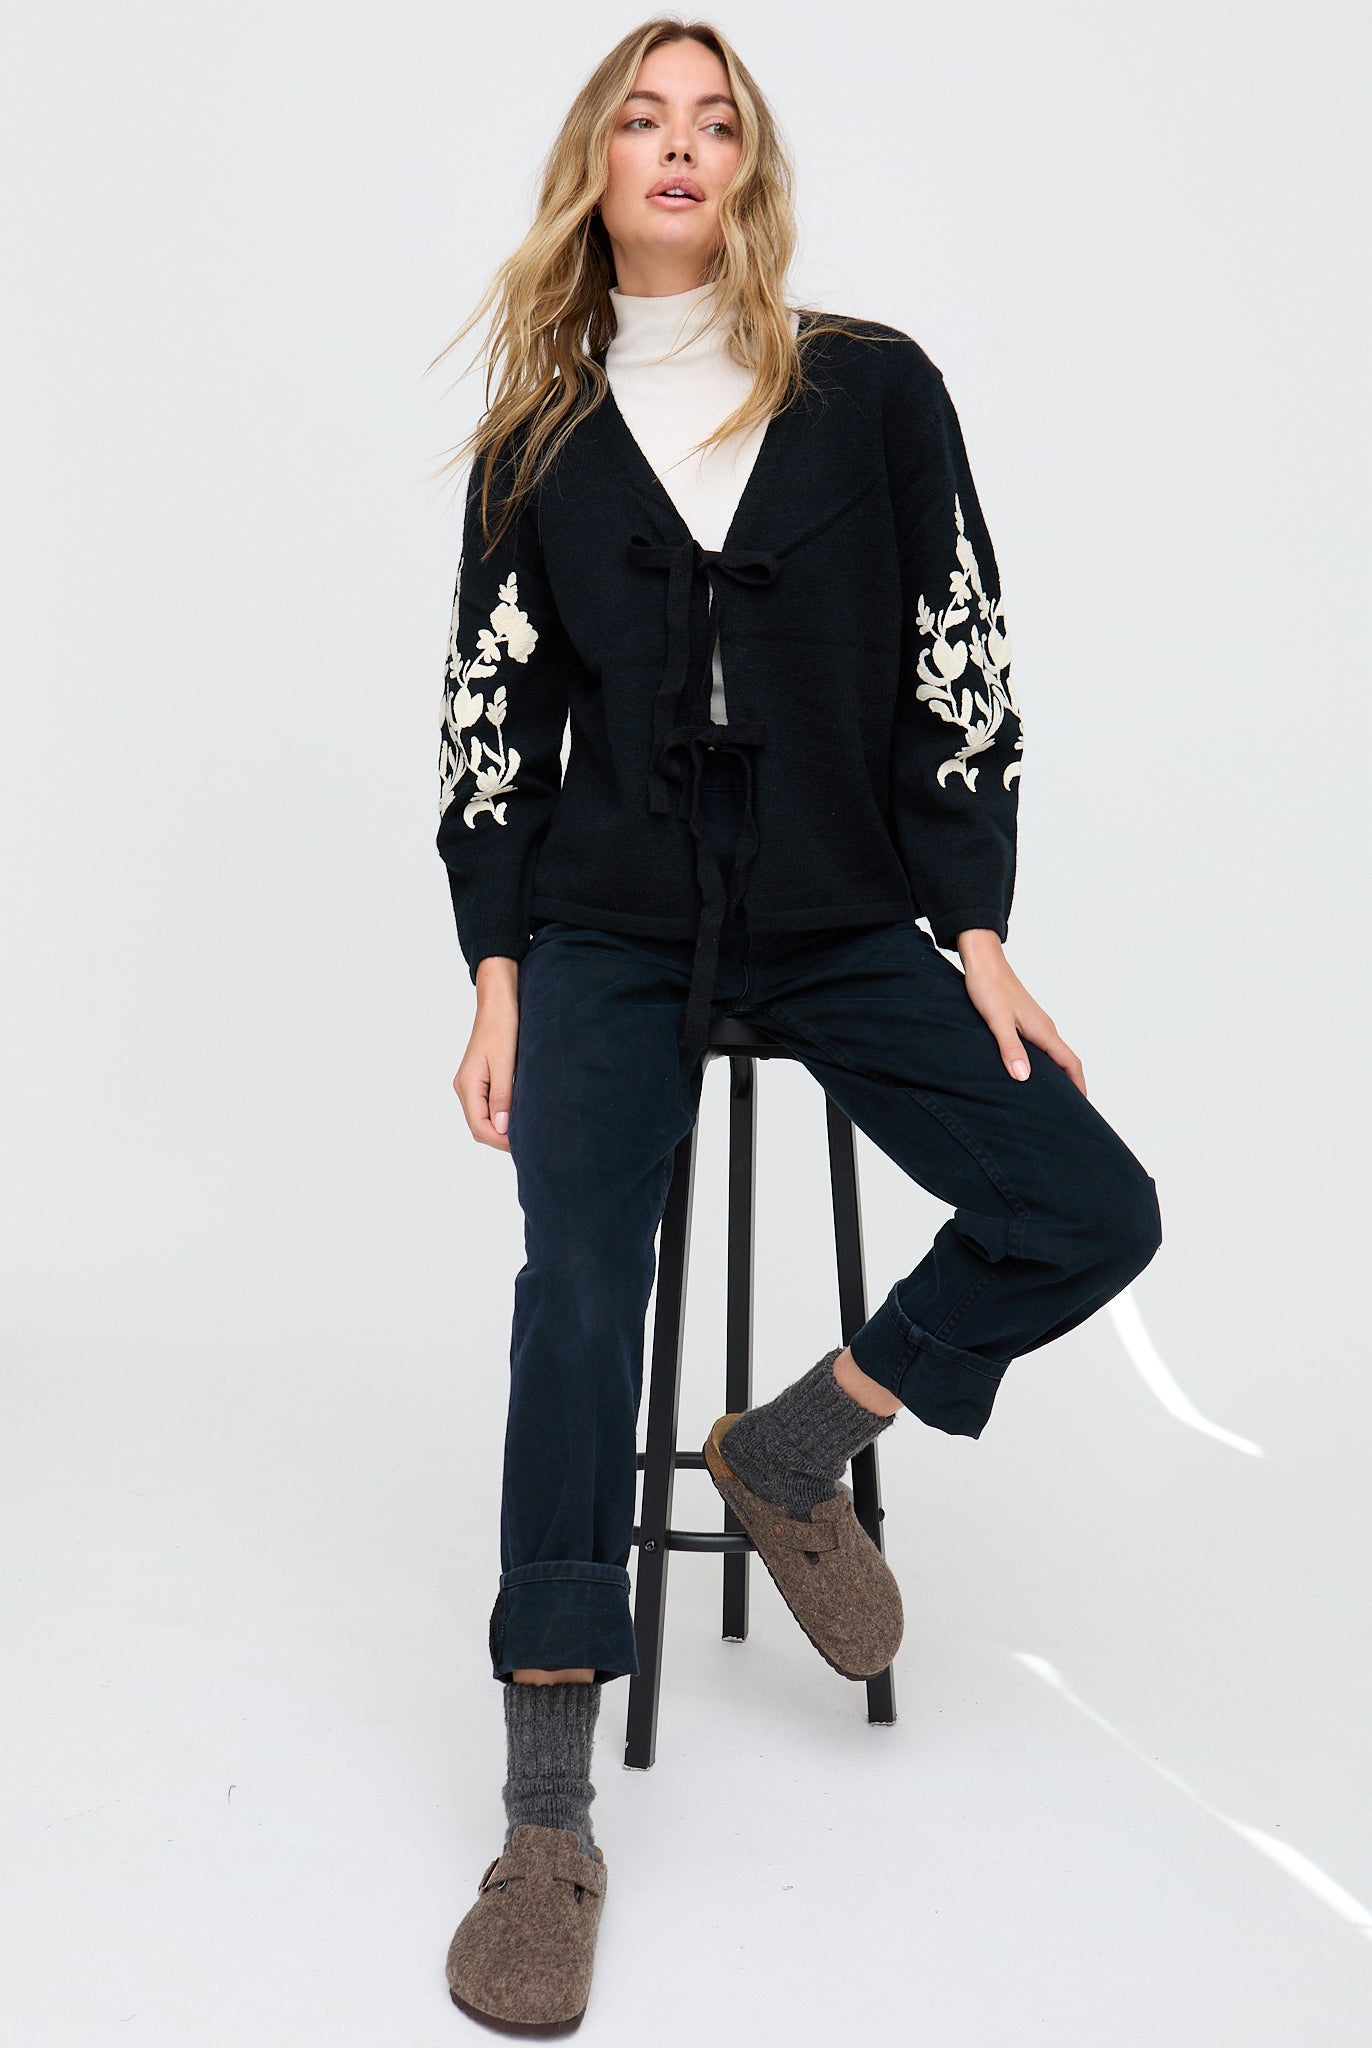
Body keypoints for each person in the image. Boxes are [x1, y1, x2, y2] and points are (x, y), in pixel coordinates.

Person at [431, 19, 1161, 2031]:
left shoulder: (873, 390)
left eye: (715, 120)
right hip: (605, 929)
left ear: (750, 170)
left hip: (841, 913)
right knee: (579, 1289)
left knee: (1088, 1202)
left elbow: (963, 654)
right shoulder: (539, 435)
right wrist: (495, 967)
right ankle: (549, 1817)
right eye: (642, 119)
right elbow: (489, 722)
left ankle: (797, 1442)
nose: (679, 147)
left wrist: (983, 926)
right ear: (596, 166)